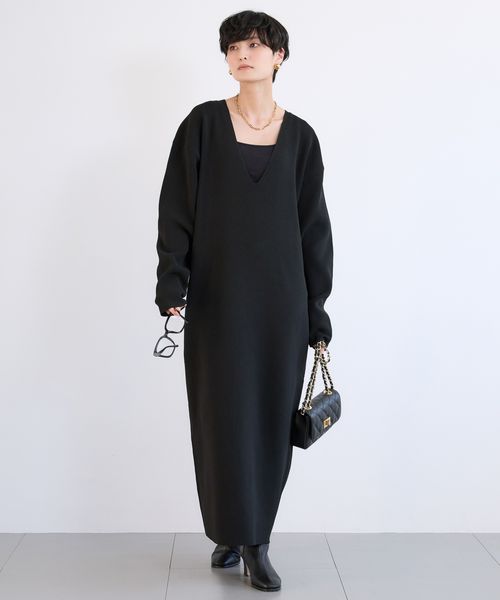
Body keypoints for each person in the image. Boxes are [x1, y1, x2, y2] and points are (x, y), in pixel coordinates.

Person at [154, 10, 333, 592]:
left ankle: (256, 540)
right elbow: (176, 210)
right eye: (233, 46)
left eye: (255, 45)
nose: (243, 54)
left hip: (282, 306)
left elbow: (314, 229)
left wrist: (317, 310)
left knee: (270, 421)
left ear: (279, 56)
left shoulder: (301, 138)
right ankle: (231, 531)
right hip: (217, 302)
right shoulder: (203, 125)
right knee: (221, 418)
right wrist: (172, 283)